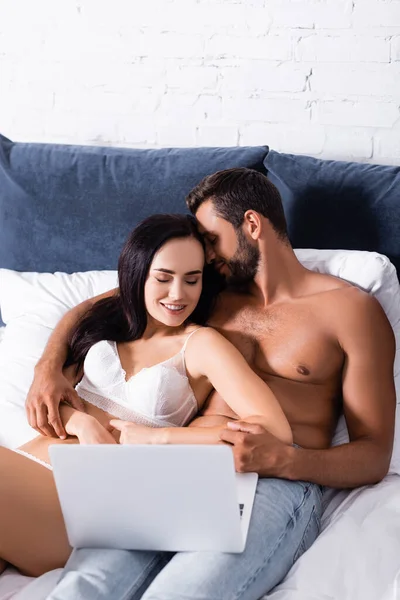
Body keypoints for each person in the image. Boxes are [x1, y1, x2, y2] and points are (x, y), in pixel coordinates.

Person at [27, 168, 395, 600]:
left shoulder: (350, 311)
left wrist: (285, 461)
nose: (204, 251)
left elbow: (373, 454)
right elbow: (98, 304)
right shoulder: (206, 291)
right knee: (85, 587)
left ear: (252, 225)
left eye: (211, 237)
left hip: (276, 482)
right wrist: (47, 367)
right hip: (177, 466)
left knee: (185, 593)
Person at [0, 213, 294, 579]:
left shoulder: (201, 344)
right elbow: (51, 403)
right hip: (27, 467)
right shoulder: (109, 321)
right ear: (138, 273)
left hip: (86, 502)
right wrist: (84, 424)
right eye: (164, 278)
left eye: (192, 280)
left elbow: (275, 431)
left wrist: (161, 436)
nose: (177, 294)